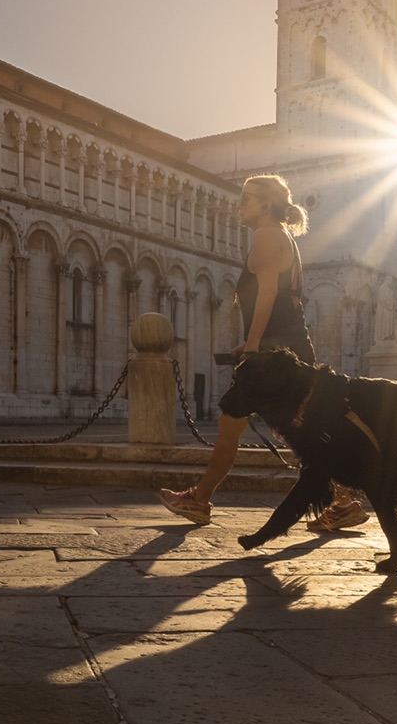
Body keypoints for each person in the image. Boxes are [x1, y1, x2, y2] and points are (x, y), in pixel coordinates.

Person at [159, 173, 371, 530]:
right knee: (302, 429)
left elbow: (269, 293)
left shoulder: (268, 235)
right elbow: (278, 301)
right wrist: (252, 342)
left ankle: (200, 500)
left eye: (247, 198)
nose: (239, 205)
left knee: (237, 423)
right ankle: (343, 503)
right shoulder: (281, 236)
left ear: (266, 204)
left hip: (276, 355)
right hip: (287, 348)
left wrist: (254, 345)